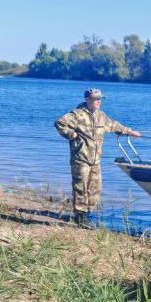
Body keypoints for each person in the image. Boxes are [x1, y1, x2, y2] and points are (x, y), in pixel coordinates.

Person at [54, 88, 140, 221]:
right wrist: (72, 135)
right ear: (87, 99)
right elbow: (60, 123)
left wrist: (130, 132)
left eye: (100, 99)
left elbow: (114, 125)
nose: (99, 101)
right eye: (95, 99)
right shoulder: (77, 114)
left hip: (96, 160)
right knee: (80, 186)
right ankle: (80, 216)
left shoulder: (101, 115)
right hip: (81, 158)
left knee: (95, 188)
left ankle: (88, 213)